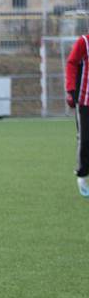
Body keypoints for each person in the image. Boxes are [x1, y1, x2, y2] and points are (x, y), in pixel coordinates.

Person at [64, 35, 89, 198]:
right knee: (85, 138)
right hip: (85, 99)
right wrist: (70, 89)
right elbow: (72, 63)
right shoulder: (84, 42)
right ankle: (82, 176)